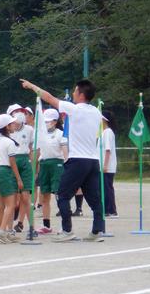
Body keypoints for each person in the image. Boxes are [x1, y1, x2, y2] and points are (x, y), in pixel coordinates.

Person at [21, 78, 105, 242]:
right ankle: (97, 231)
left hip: (78, 160)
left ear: (81, 94)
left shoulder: (75, 109)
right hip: (93, 160)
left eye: (75, 91)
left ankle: (67, 231)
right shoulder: (96, 112)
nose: (73, 93)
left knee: (62, 194)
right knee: (94, 198)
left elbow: (49, 98)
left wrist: (32, 86)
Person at [0, 114, 23, 243]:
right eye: (11, 124)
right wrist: (19, 178)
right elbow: (12, 162)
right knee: (11, 205)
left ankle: (5, 231)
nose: (14, 125)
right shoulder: (9, 142)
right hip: (5, 171)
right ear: (6, 126)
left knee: (0, 205)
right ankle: (2, 231)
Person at [36, 109, 68, 234]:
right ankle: (46, 224)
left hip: (57, 165)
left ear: (55, 122)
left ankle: (64, 224)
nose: (46, 123)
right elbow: (37, 150)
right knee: (44, 196)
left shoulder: (60, 134)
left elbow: (65, 151)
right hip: (44, 164)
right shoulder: (41, 134)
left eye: (48, 121)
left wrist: (67, 163)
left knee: (59, 195)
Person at [7, 104, 34, 234]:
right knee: (11, 197)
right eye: (15, 112)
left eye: (21, 111)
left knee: (25, 196)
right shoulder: (7, 131)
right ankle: (10, 227)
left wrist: (32, 163)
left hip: (24, 161)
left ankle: (31, 226)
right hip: (11, 161)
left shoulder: (29, 130)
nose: (19, 114)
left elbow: (31, 147)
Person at [99, 111, 118, 217]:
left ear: (105, 120)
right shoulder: (103, 132)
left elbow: (108, 150)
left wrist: (105, 165)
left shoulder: (108, 132)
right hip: (102, 166)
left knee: (107, 188)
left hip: (107, 166)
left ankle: (111, 210)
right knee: (103, 189)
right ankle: (106, 210)